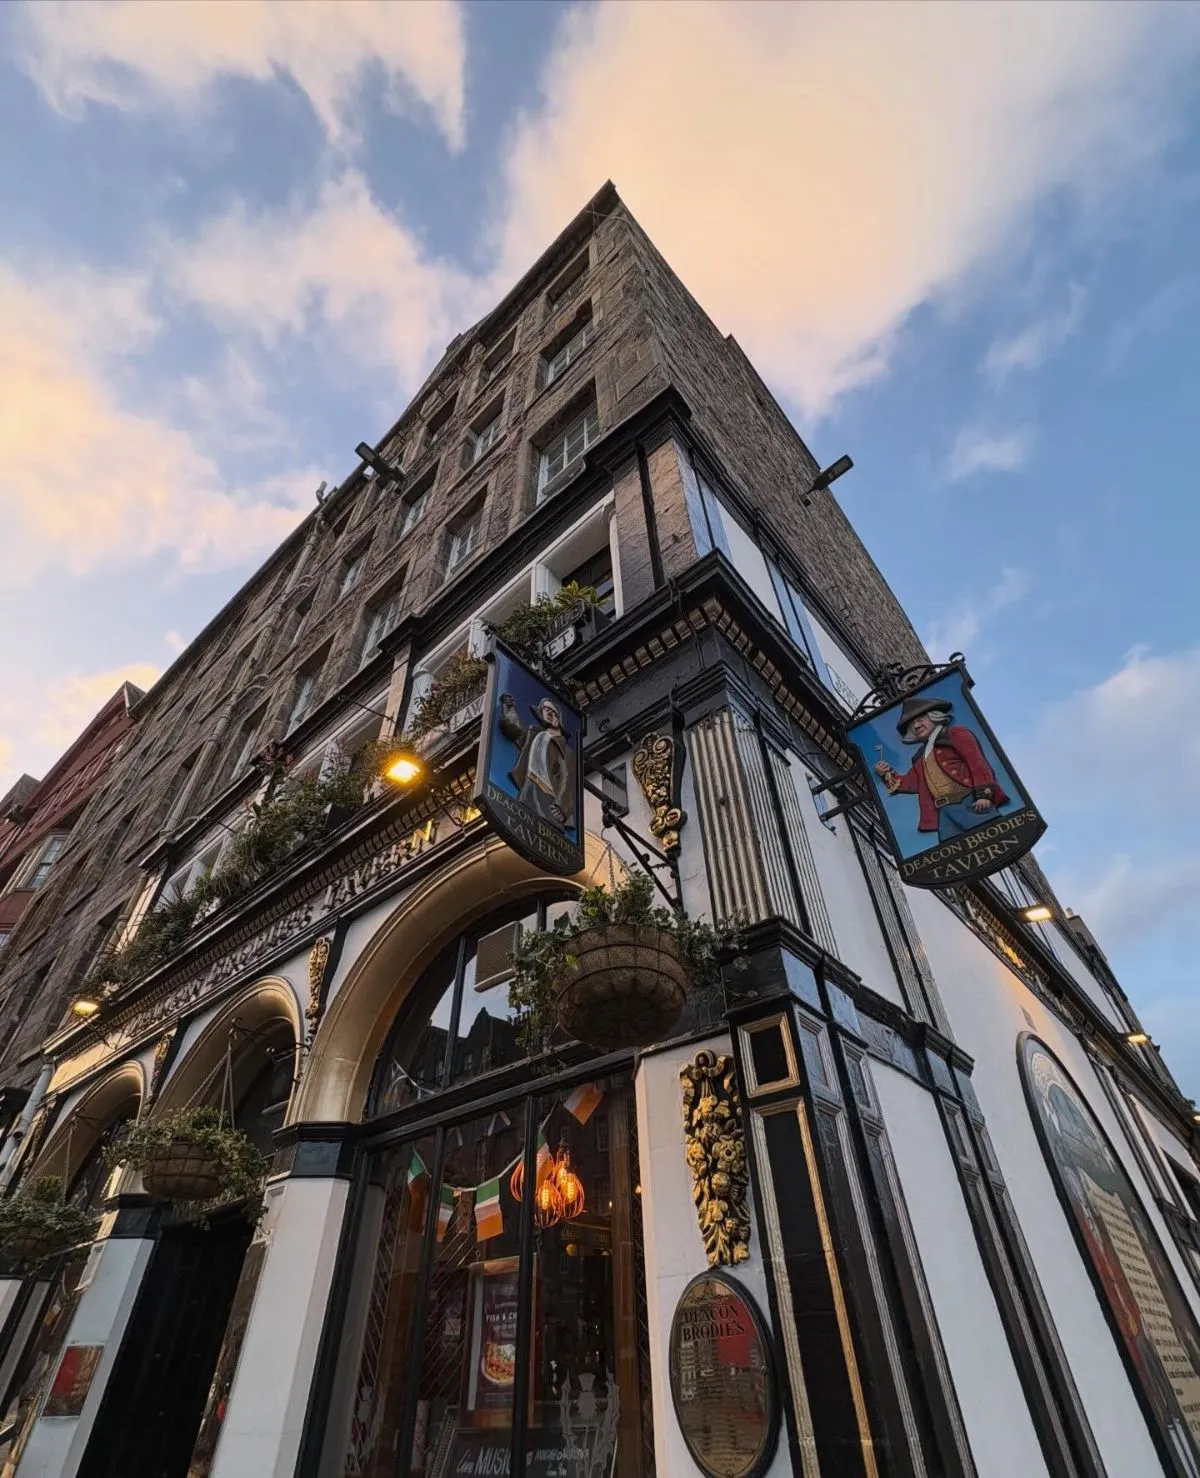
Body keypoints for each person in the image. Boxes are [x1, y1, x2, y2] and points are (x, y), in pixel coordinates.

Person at [874, 695, 1008, 843]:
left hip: (971, 804)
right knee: (958, 856)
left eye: (920, 720)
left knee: (994, 842)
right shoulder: (920, 757)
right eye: (912, 724)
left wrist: (984, 795)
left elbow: (977, 764)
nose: (916, 726)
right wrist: (886, 773)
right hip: (944, 814)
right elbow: (911, 783)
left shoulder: (955, 734)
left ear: (934, 717)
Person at [498, 693, 575, 831]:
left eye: (554, 712)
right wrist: (509, 709)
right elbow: (515, 730)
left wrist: (561, 806)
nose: (550, 714)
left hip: (549, 797)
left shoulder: (565, 748)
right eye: (547, 710)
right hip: (529, 788)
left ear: (559, 719)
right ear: (541, 714)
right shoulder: (534, 733)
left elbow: (567, 777)